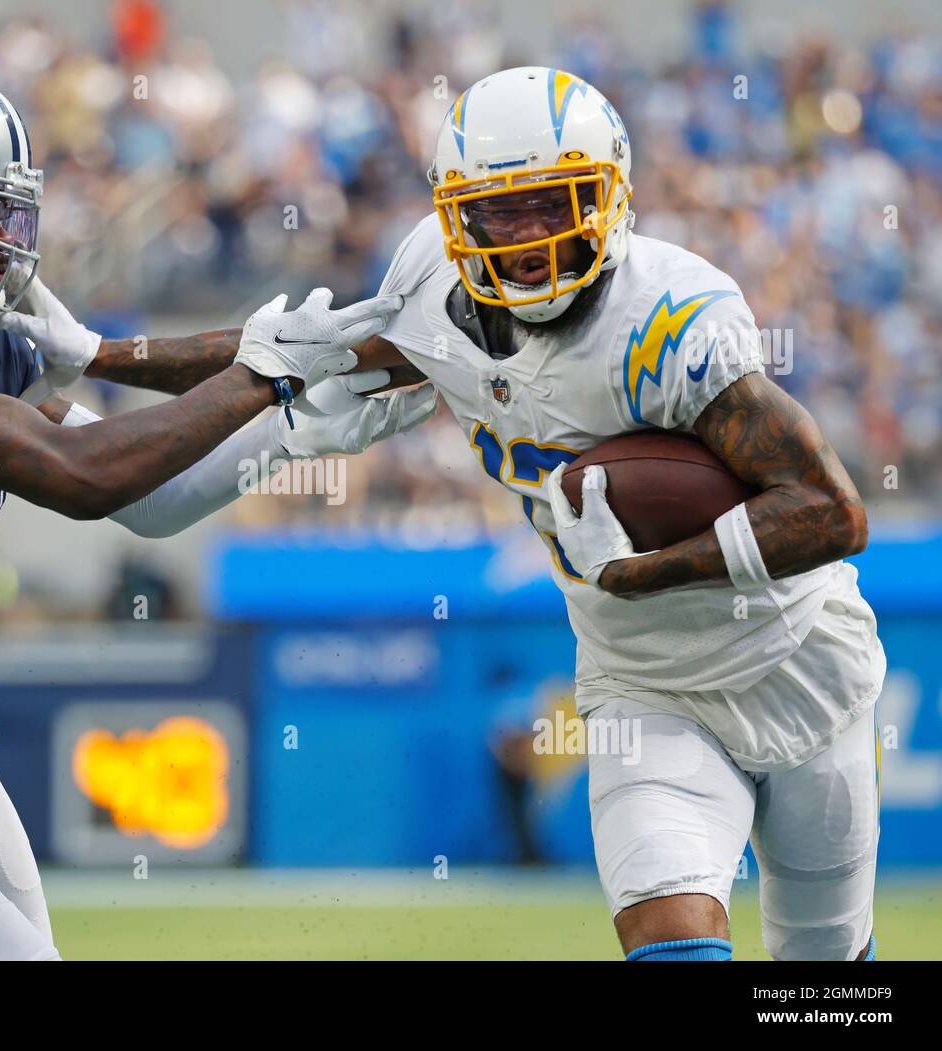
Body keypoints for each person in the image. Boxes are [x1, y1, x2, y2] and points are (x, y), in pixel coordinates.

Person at [0, 65, 436, 961]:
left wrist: (300, 421)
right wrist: (264, 375)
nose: (0, 237)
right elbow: (81, 474)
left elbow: (149, 496)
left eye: (6, 210)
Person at [355, 67, 883, 961]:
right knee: (668, 934)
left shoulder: (671, 314)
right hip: (643, 687)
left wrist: (645, 568)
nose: (523, 238)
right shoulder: (431, 298)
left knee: (824, 978)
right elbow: (278, 362)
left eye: (549, 203)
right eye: (497, 212)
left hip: (798, 661)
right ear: (456, 217)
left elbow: (834, 513)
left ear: (608, 194)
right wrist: (104, 354)